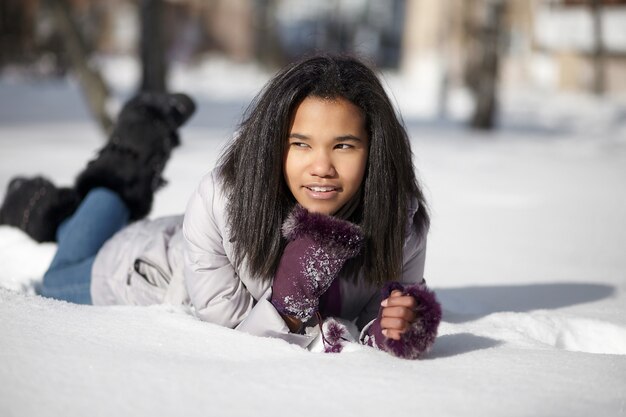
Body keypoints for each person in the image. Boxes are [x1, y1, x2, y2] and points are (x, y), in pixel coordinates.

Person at [0, 54, 441, 359]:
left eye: (344, 145)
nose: (321, 167)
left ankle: (55, 212)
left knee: (64, 230)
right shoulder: (221, 202)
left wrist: (394, 328)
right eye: (300, 144)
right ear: (274, 147)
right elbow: (224, 340)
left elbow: (373, 315)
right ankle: (124, 165)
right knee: (59, 275)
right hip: (150, 273)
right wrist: (288, 303)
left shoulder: (400, 222)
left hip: (186, 238)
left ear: (374, 151)